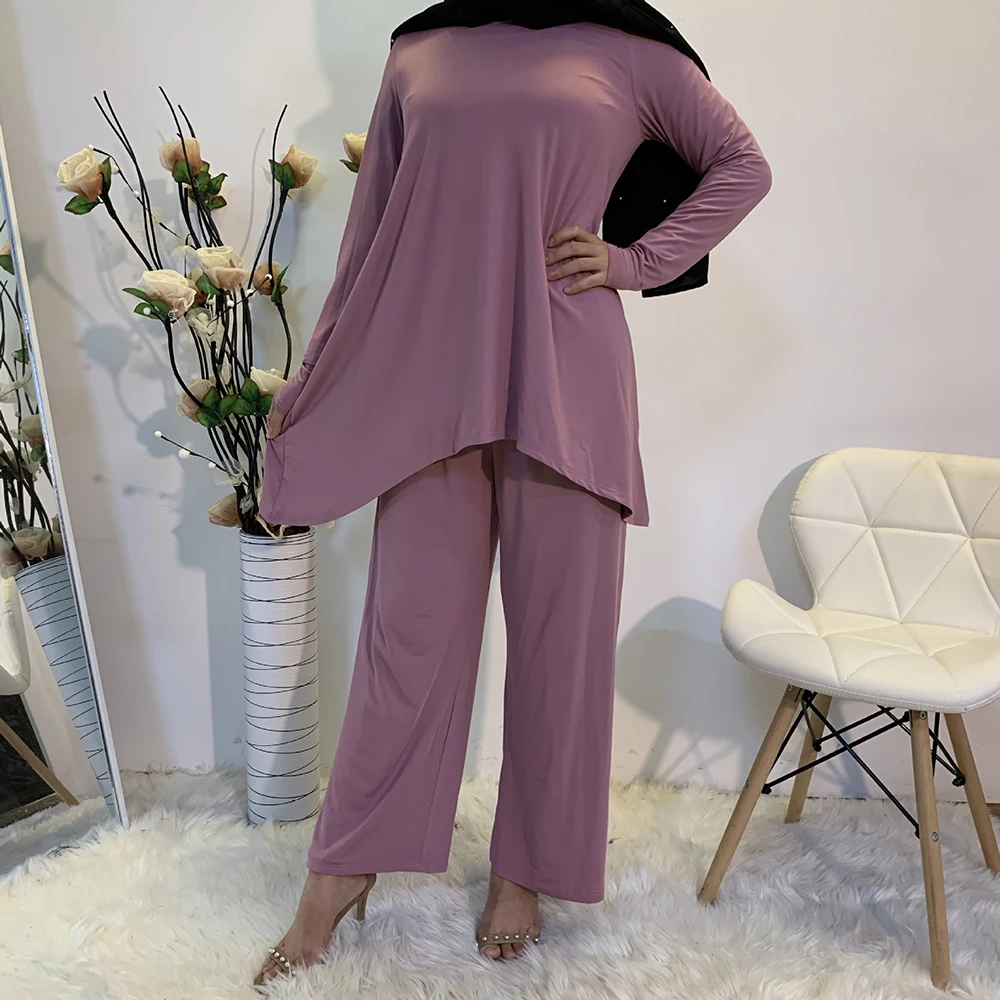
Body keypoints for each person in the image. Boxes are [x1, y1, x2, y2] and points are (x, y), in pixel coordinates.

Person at [255, 0, 770, 984]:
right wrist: (313, 378)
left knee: (558, 646)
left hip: (567, 379)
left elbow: (741, 164)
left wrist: (636, 262)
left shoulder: (627, 48)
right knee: (404, 639)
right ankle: (341, 867)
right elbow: (369, 240)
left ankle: (524, 870)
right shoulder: (420, 49)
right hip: (429, 385)